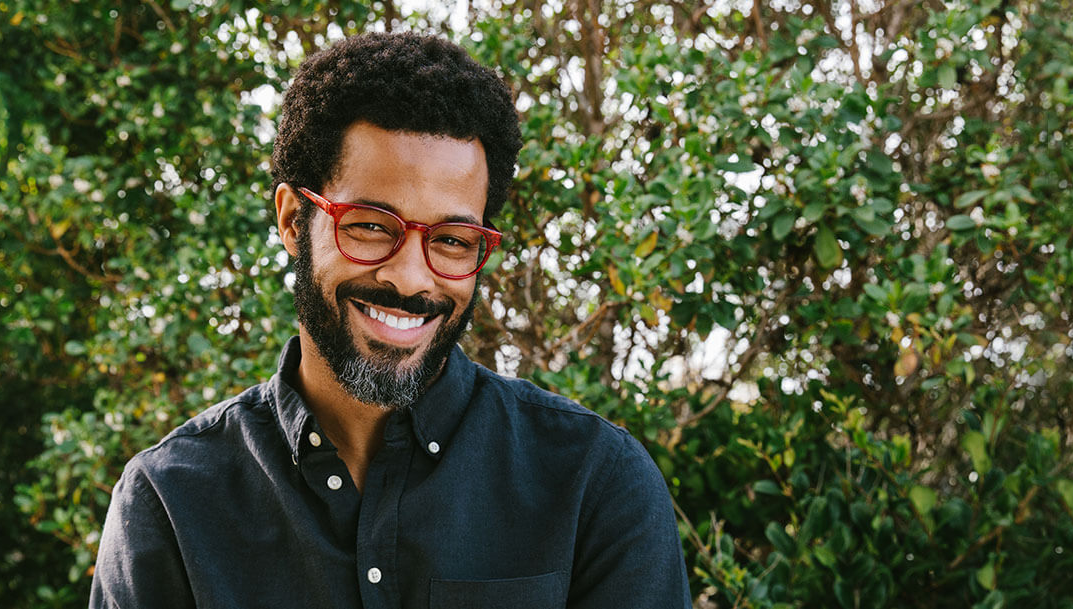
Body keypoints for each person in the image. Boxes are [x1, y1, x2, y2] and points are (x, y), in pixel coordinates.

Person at [88, 31, 691, 609]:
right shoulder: (170, 501)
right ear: (295, 221)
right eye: (372, 226)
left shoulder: (596, 484)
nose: (410, 278)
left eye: (453, 239)